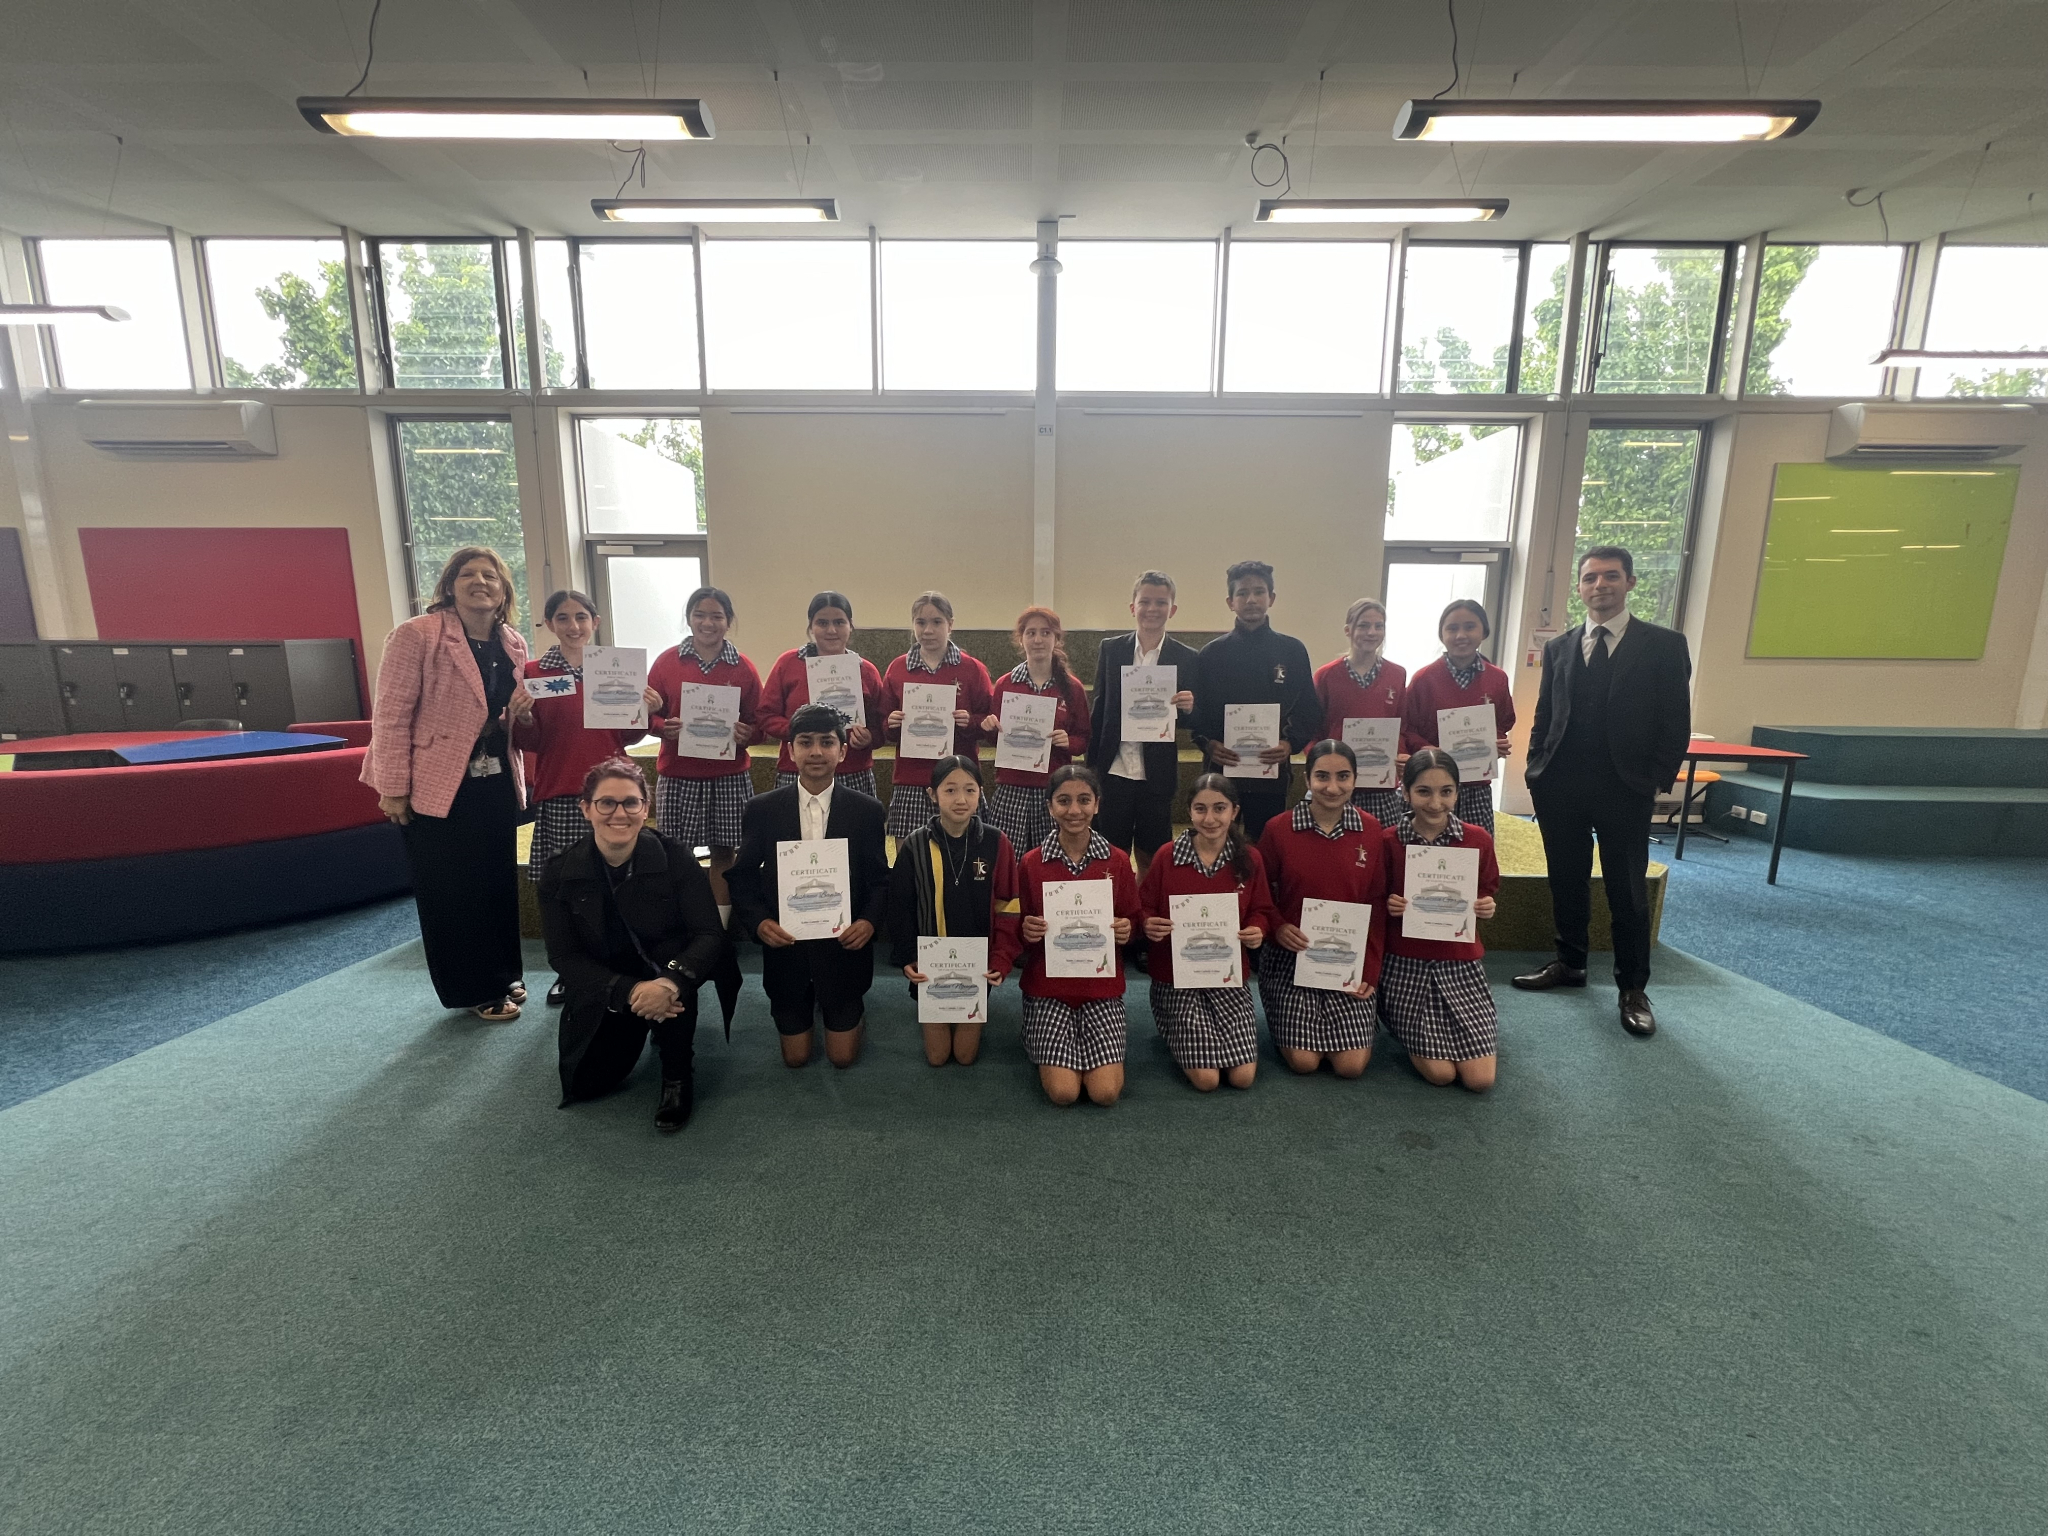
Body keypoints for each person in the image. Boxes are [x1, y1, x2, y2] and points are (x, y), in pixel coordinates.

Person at [1515, 546, 1693, 1039]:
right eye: (1590, 578)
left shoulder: (1664, 645)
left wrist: (1654, 781)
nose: (1600, 586)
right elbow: (1546, 713)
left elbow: (1675, 720)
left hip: (1625, 788)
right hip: (1561, 785)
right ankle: (1570, 963)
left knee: (1627, 888)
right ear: (1579, 587)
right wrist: (1536, 769)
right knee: (1566, 879)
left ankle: (1632, 988)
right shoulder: (1561, 647)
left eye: (1611, 576)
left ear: (1630, 582)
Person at [362, 545, 528, 1022]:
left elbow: (506, 711)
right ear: (450, 585)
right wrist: (393, 788)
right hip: (433, 782)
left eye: (490, 576)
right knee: (451, 889)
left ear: (503, 590)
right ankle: (473, 988)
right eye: (468, 574)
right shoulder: (417, 635)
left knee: (496, 879)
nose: (480, 582)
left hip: (494, 777)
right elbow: (390, 717)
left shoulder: (513, 642)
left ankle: (502, 972)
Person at [539, 758, 730, 1132]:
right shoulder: (559, 871)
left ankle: (677, 1073)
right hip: (607, 978)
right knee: (588, 1084)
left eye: (630, 802)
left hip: (668, 970)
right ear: (586, 809)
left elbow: (708, 934)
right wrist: (629, 991)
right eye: (606, 803)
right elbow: (564, 956)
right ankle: (644, 1017)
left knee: (673, 980)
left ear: (646, 808)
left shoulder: (676, 858)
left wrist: (669, 984)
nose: (619, 813)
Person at [511, 589, 661, 1006]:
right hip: (562, 790)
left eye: (581, 617)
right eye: (563, 617)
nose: (573, 625)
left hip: (613, 793)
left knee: (618, 882)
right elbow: (529, 741)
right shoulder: (535, 673)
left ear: (595, 622)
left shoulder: (617, 669)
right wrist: (522, 716)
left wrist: (646, 711)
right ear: (549, 623)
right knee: (565, 887)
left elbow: (627, 735)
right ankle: (570, 971)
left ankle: (625, 963)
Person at [728, 702, 891, 1069]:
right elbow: (741, 876)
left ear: (843, 751)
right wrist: (759, 923)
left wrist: (868, 922)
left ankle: (850, 1010)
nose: (816, 752)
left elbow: (880, 879)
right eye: (805, 742)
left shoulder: (867, 810)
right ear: (790, 750)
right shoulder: (762, 809)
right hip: (787, 950)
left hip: (844, 949)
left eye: (826, 742)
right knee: (796, 1058)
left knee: (842, 1058)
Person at [1255, 740, 1389, 1078]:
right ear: (1307, 779)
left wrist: (1370, 969)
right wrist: (1278, 926)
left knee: (1350, 1066)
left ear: (1355, 779)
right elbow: (1259, 894)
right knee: (1305, 1062)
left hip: (1349, 960)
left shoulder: (1372, 829)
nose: (1332, 787)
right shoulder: (1278, 829)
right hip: (1291, 958)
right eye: (1322, 776)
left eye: (1343, 776)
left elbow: (1376, 902)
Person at [1137, 774, 1277, 1092]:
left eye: (1219, 808)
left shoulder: (1250, 858)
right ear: (1189, 811)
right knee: (1207, 1079)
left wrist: (1258, 929)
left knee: (1242, 1077)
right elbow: (1142, 908)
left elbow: (1262, 909)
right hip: (1177, 979)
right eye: (1200, 809)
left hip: (1227, 976)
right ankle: (1174, 1027)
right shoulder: (1167, 856)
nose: (1210, 818)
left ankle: (1193, 1033)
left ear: (1234, 811)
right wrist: (1147, 923)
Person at [1015, 765, 1142, 1106]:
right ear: (1049, 806)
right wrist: (1026, 930)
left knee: (1105, 1093)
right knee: (1064, 1093)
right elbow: (1019, 929)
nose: (1074, 810)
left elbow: (1134, 919)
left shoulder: (1117, 861)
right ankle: (1037, 1031)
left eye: (1084, 800)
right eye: (1064, 801)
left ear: (1097, 804)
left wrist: (1127, 930)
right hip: (1048, 987)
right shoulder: (1030, 863)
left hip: (1101, 987)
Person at [887, 754, 1023, 1067]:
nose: (960, 799)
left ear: (980, 793)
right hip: (929, 968)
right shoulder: (914, 845)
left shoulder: (997, 842)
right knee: (937, 1057)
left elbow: (1009, 906)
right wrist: (909, 957)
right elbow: (900, 907)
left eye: (969, 790)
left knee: (964, 1055)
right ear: (932, 794)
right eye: (950, 790)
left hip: (977, 969)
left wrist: (1001, 959)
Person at [1380, 749, 1501, 1091]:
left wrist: (1485, 906)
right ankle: (1396, 1018)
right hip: (1406, 963)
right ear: (1405, 793)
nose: (1435, 803)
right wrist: (1389, 904)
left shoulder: (1477, 839)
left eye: (1446, 791)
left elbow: (1487, 887)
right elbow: (1374, 897)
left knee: (1480, 1080)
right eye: (1423, 791)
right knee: (1441, 1074)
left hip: (1458, 961)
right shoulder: (1388, 841)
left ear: (1457, 793)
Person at [647, 585, 761, 909]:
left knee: (725, 853)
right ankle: (686, 923)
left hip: (728, 776)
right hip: (678, 774)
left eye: (717, 616)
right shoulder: (666, 662)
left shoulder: (744, 667)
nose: (707, 623)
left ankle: (719, 926)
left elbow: (760, 723)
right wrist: (662, 728)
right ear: (688, 618)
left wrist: (748, 734)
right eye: (699, 615)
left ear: (728, 621)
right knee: (676, 854)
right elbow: (645, 715)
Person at [1192, 560, 1321, 841]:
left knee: (1264, 848)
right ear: (1230, 602)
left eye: (1259, 592)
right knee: (1217, 846)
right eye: (1242, 593)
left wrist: (1289, 744)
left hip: (1270, 772)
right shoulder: (1211, 655)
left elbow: (1309, 709)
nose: (1251, 599)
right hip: (1222, 771)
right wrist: (1208, 744)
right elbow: (1197, 713)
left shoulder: (1292, 651)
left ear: (1271, 598)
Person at [1088, 570, 1200, 876]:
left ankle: (1145, 907)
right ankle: (1116, 905)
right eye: (1145, 601)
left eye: (1161, 602)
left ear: (1172, 609)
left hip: (1157, 773)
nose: (1152, 609)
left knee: (1152, 857)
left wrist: (1190, 707)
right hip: (1114, 769)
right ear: (1132, 607)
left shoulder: (1187, 657)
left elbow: (1195, 719)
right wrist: (1092, 767)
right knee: (1112, 856)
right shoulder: (1111, 649)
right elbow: (1099, 708)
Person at [880, 591, 995, 846]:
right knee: (911, 856)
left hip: (958, 778)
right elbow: (883, 722)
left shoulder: (972, 669)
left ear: (950, 624)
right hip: (911, 778)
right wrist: (892, 723)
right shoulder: (897, 668)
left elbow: (989, 721)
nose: (928, 630)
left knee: (963, 855)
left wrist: (971, 721)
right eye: (920, 622)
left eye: (937, 622)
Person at [981, 606, 1092, 858]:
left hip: (1053, 788)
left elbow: (1083, 739)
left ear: (1057, 638)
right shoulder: (1006, 683)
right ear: (1021, 639)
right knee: (1007, 860)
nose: (1038, 639)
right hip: (1012, 786)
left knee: (1050, 861)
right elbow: (996, 737)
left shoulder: (1072, 688)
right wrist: (989, 728)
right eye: (1031, 633)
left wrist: (1068, 741)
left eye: (1045, 632)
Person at [1400, 598, 1516, 835]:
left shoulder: (1497, 678)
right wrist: (1427, 750)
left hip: (1475, 785)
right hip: (1431, 784)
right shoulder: (1423, 679)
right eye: (1452, 628)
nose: (1461, 635)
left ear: (1484, 631)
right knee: (1425, 846)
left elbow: (1504, 720)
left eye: (1469, 627)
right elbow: (1407, 728)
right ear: (1441, 635)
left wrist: (1495, 742)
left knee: (1475, 846)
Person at [758, 591, 886, 797]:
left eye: (839, 622)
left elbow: (880, 725)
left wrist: (869, 737)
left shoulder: (866, 670)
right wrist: (798, 730)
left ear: (850, 626)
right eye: (822, 623)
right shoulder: (788, 663)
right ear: (811, 626)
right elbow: (765, 714)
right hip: (798, 771)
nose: (831, 630)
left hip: (852, 772)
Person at [1314, 597, 1408, 826]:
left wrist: (1402, 756)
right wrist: (1319, 762)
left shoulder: (1397, 674)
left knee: (1383, 843)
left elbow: (1402, 727)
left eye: (1379, 626)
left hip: (1381, 785)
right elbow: (1313, 730)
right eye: (1364, 625)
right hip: (1336, 784)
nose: (1371, 632)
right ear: (1348, 630)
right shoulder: (1326, 675)